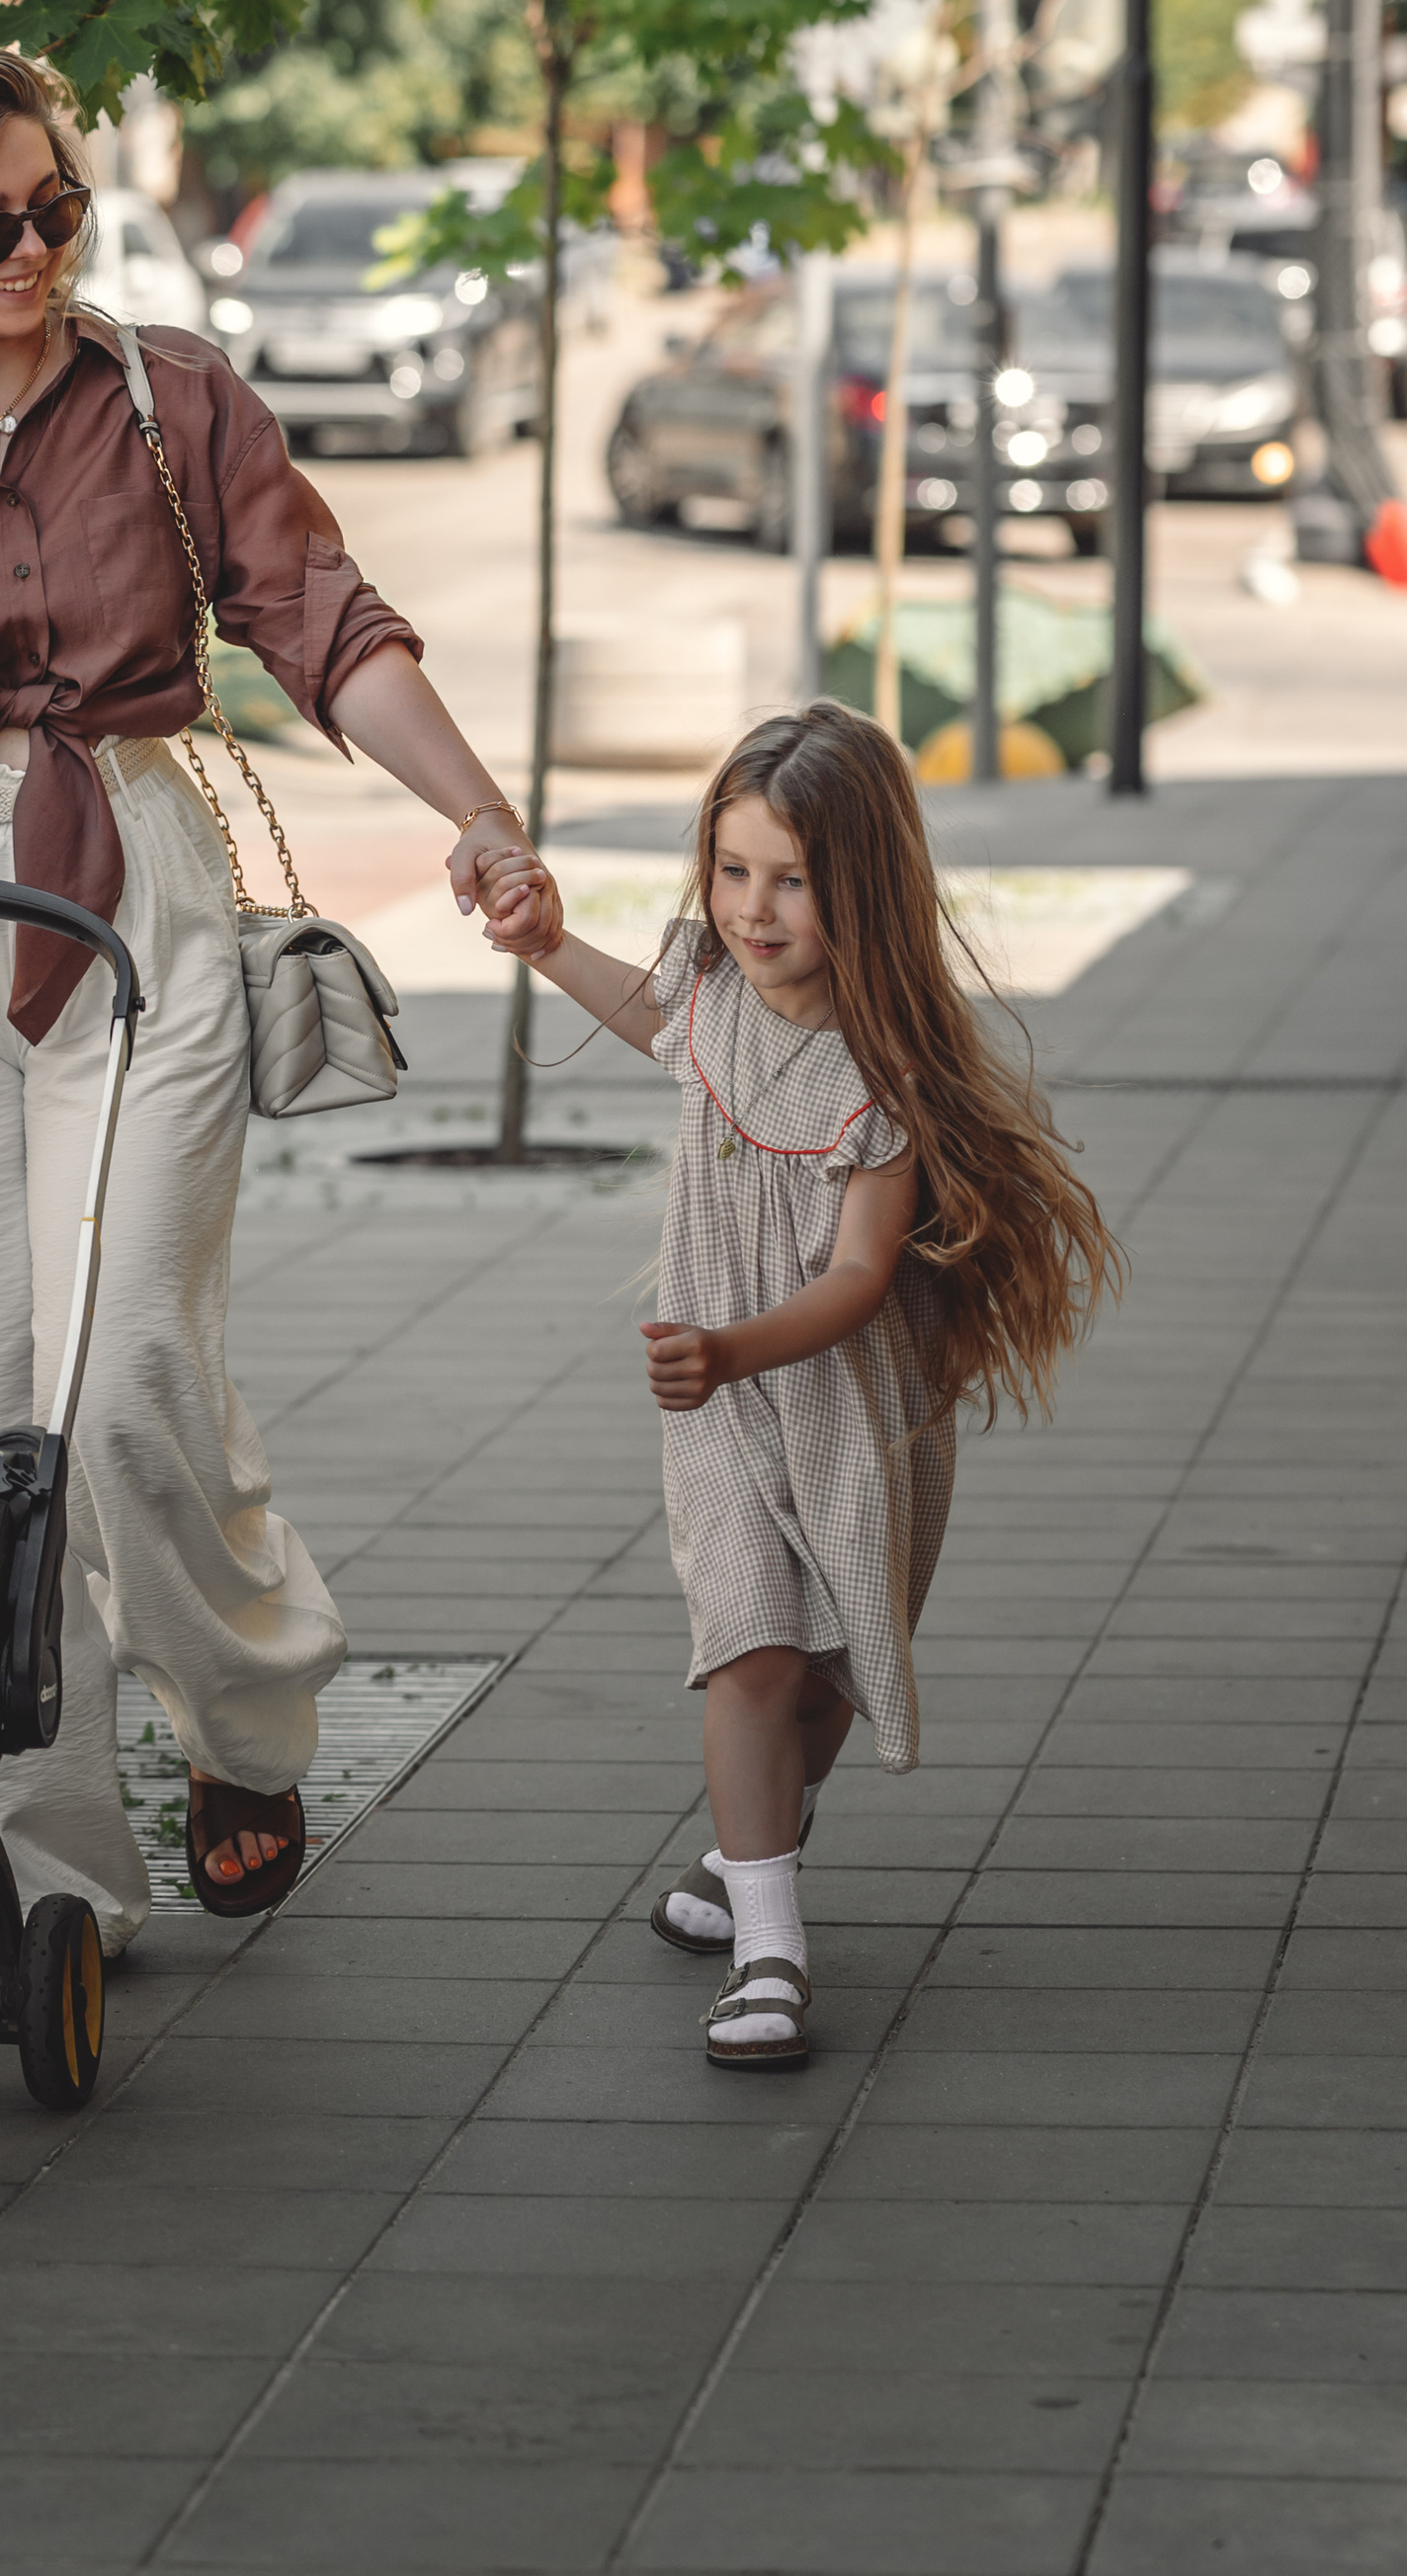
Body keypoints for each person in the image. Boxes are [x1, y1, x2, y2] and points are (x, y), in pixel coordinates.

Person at [0, 45, 559, 1955]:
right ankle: (43, 1872)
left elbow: (323, 620)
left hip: (137, 886)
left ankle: (244, 1720)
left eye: (54, 209)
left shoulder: (170, 394)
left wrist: (483, 817)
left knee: (135, 1375)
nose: (31, 251)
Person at [490, 700, 1118, 2067]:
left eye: (791, 881)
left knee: (824, 1670)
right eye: (732, 871)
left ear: (864, 888)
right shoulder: (710, 990)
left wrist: (733, 1346)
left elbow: (857, 1280)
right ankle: (770, 1955)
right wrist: (544, 945)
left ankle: (749, 1847)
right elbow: (651, 1014)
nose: (752, 908)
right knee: (753, 1647)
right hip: (721, 1404)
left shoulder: (881, 1078)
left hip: (848, 1406)